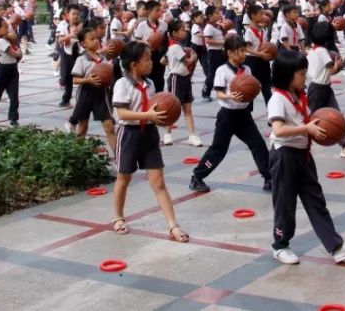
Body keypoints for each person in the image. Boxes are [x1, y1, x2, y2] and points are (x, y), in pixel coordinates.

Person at [268, 51, 345, 265]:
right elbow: (277, 129)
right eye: (302, 73)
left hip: (303, 154)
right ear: (287, 75)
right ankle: (280, 245)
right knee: (285, 203)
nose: (305, 77)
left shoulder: (300, 95)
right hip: (284, 156)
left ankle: (336, 247)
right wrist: (307, 128)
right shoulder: (278, 98)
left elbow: (312, 120)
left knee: (316, 201)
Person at [110, 41, 189, 242]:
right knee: (123, 179)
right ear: (134, 64)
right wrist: (148, 115)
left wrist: (163, 117)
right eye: (147, 59)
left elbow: (156, 108)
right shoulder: (122, 84)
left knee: (159, 182)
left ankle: (173, 225)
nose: (151, 62)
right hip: (129, 135)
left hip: (149, 135)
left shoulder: (151, 84)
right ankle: (118, 218)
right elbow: (122, 113)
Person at [189, 35, 271, 193]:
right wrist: (230, 95)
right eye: (240, 51)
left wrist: (255, 87)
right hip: (227, 116)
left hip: (244, 115)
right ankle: (197, 177)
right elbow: (219, 93)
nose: (243, 54)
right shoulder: (222, 70)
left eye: (244, 50)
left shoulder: (247, 69)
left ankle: (269, 178)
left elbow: (251, 87)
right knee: (218, 150)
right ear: (230, 53)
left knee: (258, 144)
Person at [305, 21, 345, 159]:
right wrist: (338, 65)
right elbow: (332, 70)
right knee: (314, 118)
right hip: (319, 89)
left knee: (335, 117)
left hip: (320, 88)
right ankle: (301, 142)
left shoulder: (313, 50)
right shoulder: (323, 52)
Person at [68, 26, 118, 152]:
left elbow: (108, 75)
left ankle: (119, 159)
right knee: (82, 128)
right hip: (85, 95)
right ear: (83, 43)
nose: (96, 41)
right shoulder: (82, 59)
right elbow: (74, 80)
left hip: (101, 95)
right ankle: (78, 157)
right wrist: (87, 80)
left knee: (109, 127)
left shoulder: (103, 59)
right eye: (92, 39)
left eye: (97, 38)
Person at [163, 19, 202, 147]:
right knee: (173, 107)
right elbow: (188, 62)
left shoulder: (173, 46)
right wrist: (194, 57)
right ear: (174, 33)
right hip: (176, 78)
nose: (185, 32)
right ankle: (167, 134)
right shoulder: (174, 46)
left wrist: (171, 63)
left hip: (184, 78)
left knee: (187, 108)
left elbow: (162, 61)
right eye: (182, 30)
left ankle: (192, 136)